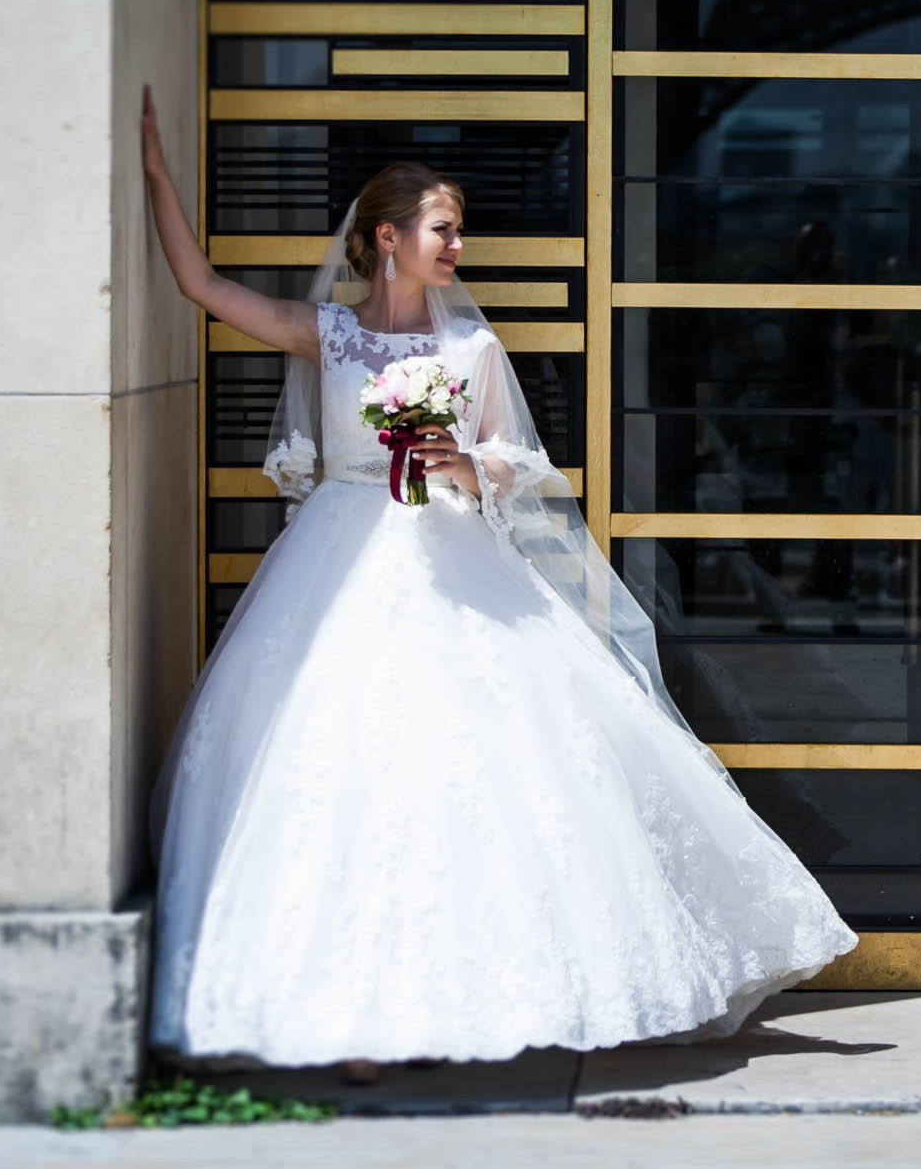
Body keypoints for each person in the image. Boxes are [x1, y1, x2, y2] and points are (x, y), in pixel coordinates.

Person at [138, 87, 855, 1077]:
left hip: (450, 557)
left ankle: (444, 996)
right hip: (338, 561)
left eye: (459, 230)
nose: (456, 246)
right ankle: (352, 1014)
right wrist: (157, 175)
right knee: (347, 779)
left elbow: (517, 458)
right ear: (386, 238)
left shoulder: (468, 347)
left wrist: (466, 466)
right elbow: (203, 283)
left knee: (457, 778)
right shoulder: (330, 335)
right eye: (443, 228)